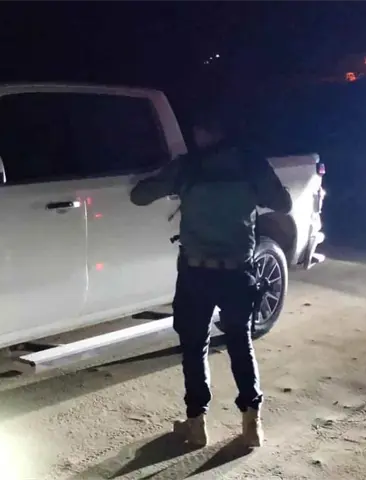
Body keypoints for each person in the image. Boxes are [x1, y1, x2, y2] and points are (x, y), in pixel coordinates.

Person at [130, 111, 292, 448]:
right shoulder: (251, 163)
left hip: (196, 272)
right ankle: (251, 424)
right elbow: (283, 203)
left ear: (204, 132)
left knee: (194, 346)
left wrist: (162, 180)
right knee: (240, 342)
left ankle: (197, 424)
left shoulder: (188, 167)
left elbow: (140, 196)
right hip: (238, 272)